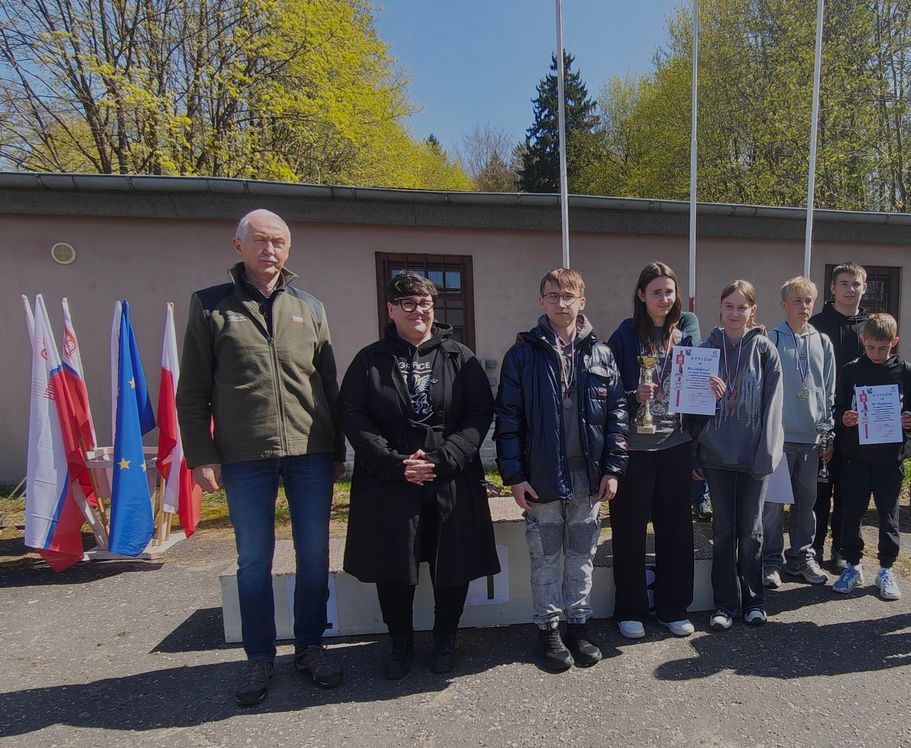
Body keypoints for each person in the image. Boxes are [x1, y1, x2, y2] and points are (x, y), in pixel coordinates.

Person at [177, 209, 345, 706]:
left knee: (314, 555)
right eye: (260, 241)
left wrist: (336, 449)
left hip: (310, 452)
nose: (269, 250)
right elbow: (193, 391)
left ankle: (311, 647)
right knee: (254, 560)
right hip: (244, 454)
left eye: (279, 242)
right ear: (238, 246)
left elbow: (328, 385)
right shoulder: (211, 307)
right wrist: (201, 455)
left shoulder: (310, 307)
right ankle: (258, 658)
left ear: (288, 249)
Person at [339, 272, 500, 680]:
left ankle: (446, 637)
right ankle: (400, 641)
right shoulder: (368, 359)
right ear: (391, 309)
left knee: (453, 560)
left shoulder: (459, 356)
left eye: (426, 303)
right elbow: (353, 415)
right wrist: (395, 463)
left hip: (450, 475)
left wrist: (445, 457)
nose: (419, 311)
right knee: (395, 560)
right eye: (408, 304)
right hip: (390, 479)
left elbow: (480, 412)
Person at [494, 268, 628, 671]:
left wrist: (614, 468)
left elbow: (617, 413)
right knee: (546, 555)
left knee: (581, 555)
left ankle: (579, 626)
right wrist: (515, 476)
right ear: (541, 302)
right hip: (541, 478)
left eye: (568, 296)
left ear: (581, 302)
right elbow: (508, 419)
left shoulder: (602, 354)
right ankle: (548, 630)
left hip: (589, 477)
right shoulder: (522, 354)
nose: (561, 303)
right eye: (553, 296)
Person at [607, 262, 705, 640]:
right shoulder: (626, 335)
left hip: (675, 445)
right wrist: (635, 397)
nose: (664, 299)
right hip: (635, 447)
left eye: (669, 292)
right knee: (629, 529)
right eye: (656, 292)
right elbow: (609, 391)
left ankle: (672, 606)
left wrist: (708, 389)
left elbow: (696, 379)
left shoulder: (687, 333)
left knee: (676, 529)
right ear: (641, 295)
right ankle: (629, 609)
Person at [695, 280, 783, 631]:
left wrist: (767, 454)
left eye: (742, 307)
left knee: (753, 532)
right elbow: (690, 407)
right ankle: (724, 604)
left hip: (753, 458)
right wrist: (694, 453)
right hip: (716, 456)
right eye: (729, 306)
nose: (735, 313)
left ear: (753, 311)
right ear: (719, 306)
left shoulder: (765, 350)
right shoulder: (705, 349)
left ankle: (754, 601)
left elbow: (774, 406)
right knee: (724, 530)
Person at [829, 313, 911, 600]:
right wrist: (844, 418)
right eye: (871, 348)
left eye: (883, 348)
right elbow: (836, 408)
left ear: (894, 342)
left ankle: (886, 569)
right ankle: (853, 566)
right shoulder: (851, 371)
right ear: (863, 341)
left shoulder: (906, 371)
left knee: (888, 516)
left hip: (889, 460)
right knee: (850, 514)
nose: (877, 354)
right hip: (855, 457)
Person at [762, 277, 835, 588]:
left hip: (810, 438)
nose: (804, 306)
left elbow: (827, 389)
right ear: (783, 304)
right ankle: (770, 561)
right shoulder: (772, 339)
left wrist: (827, 432)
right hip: (779, 439)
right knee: (773, 506)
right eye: (797, 300)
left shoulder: (822, 342)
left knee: (807, 503)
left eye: (808, 301)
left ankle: (801, 558)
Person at [809, 262, 868, 570]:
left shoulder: (871, 327)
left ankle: (843, 549)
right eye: (843, 283)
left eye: (855, 284)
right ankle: (812, 549)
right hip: (823, 421)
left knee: (851, 492)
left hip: (859, 424)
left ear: (864, 288)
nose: (850, 289)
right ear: (832, 288)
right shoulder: (816, 325)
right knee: (819, 490)